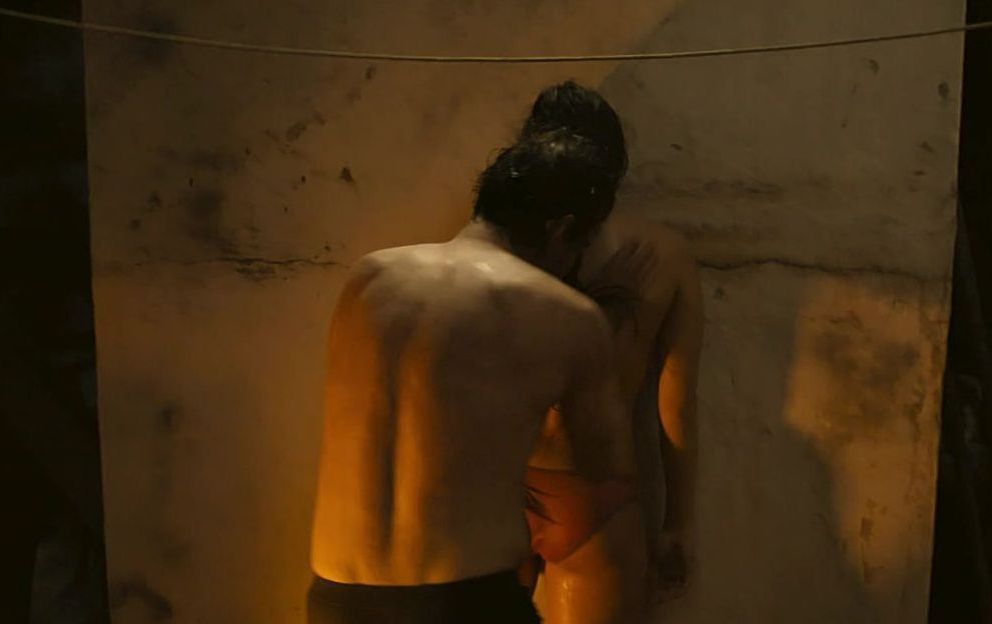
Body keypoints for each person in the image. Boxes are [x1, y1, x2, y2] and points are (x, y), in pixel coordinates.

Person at [307, 129, 640, 623]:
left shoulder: (368, 278)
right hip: (463, 601)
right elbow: (603, 468)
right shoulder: (566, 314)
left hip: (338, 600)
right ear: (561, 230)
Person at [518, 82, 703, 624]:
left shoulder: (501, 247)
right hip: (591, 486)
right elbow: (676, 404)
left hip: (504, 478)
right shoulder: (664, 254)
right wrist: (678, 521)